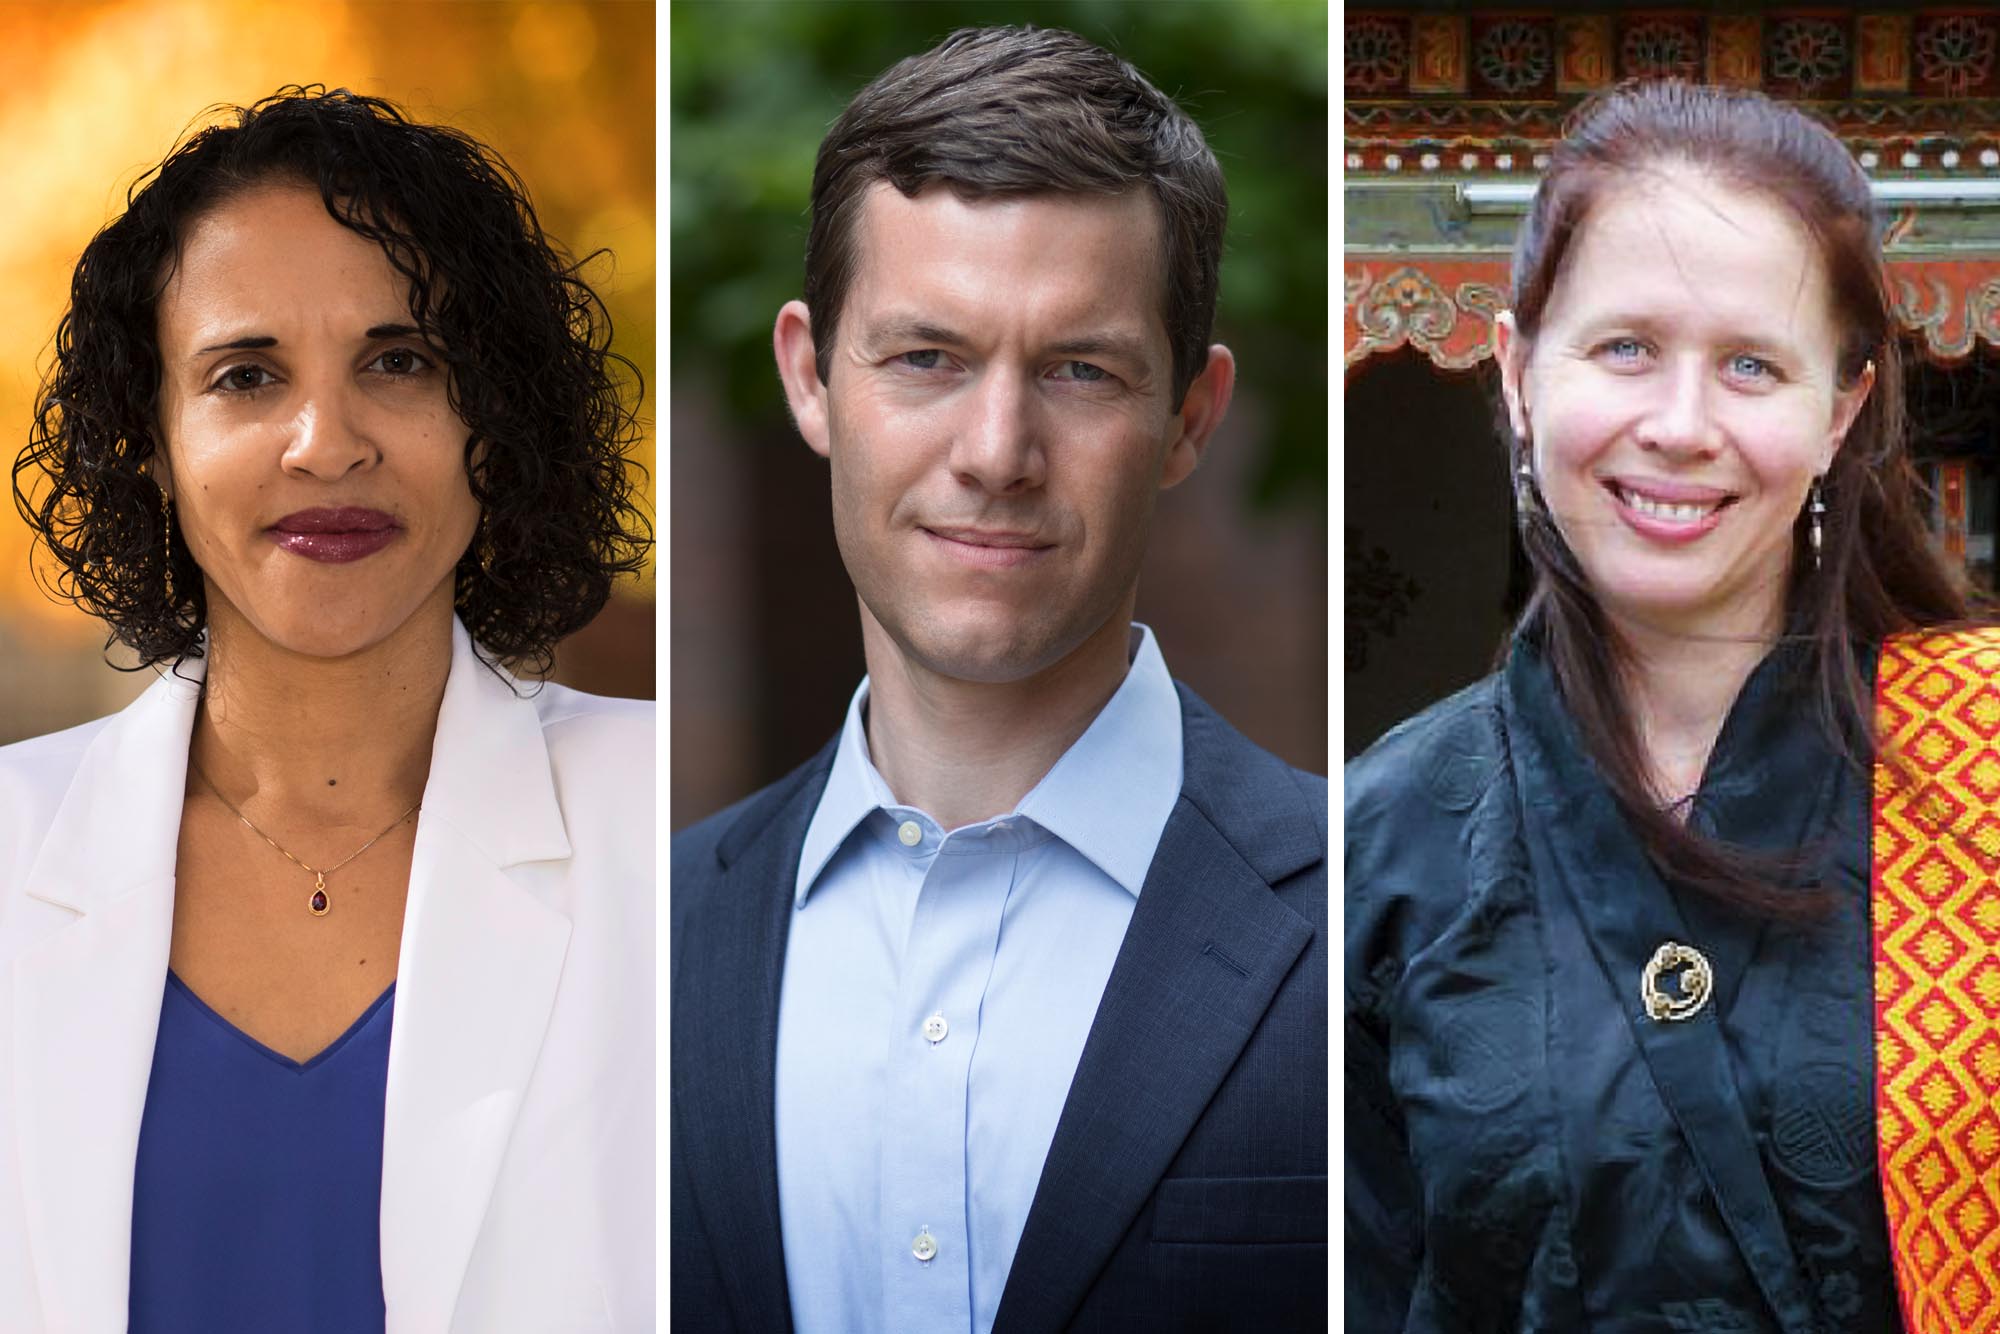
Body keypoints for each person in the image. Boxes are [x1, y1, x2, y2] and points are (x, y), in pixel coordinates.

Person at [671, 25, 1327, 1334]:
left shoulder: (1362, 915)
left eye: (1079, 370)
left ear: (1191, 418)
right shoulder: (648, 935)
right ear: (809, 376)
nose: (998, 450)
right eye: (928, 358)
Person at [0, 88, 653, 1332]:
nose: (325, 441)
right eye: (246, 375)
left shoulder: (660, 820)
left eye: (398, 361)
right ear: (152, 439)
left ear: (491, 417)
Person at [1346, 79, 1980, 1331]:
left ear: (1835, 412)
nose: (1678, 426)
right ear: (1521, 374)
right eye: (1624, 347)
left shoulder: (1975, 758)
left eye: (1750, 363)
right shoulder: (1382, 839)